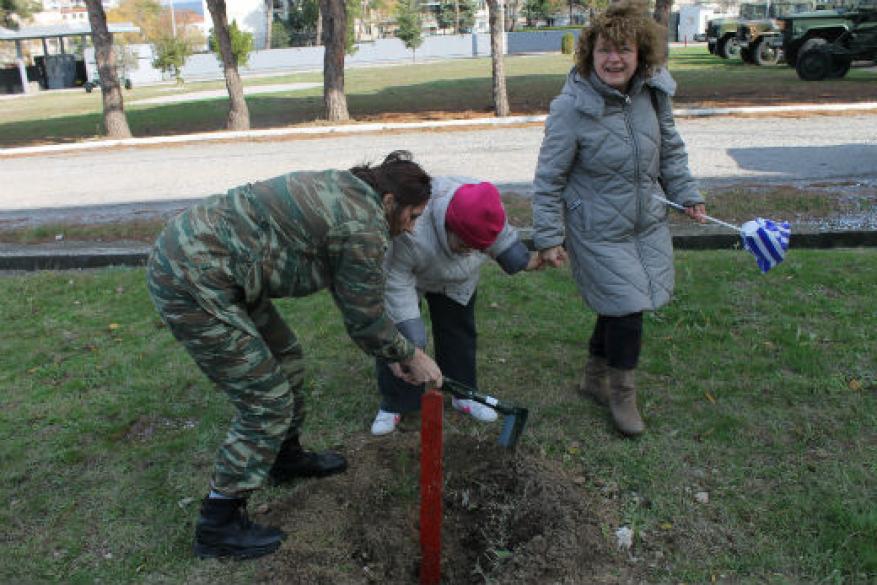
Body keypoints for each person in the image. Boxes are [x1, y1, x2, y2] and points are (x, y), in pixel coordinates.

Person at [146, 151, 443, 560]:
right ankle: (219, 522)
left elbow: (356, 298)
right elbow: (365, 317)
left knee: (287, 358)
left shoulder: (355, 193)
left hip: (222, 268)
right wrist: (411, 354)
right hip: (192, 277)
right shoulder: (365, 224)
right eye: (411, 216)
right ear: (390, 201)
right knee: (265, 398)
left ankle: (283, 457)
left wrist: (392, 352)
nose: (410, 229)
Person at [531, 1, 707, 437]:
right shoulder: (571, 108)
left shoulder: (653, 93)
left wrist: (686, 194)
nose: (614, 59)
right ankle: (622, 393)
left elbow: (671, 150)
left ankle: (593, 378)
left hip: (645, 221)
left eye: (624, 49)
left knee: (621, 303)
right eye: (605, 50)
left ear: (639, 53)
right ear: (589, 55)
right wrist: (549, 237)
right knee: (629, 306)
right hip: (596, 230)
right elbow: (548, 178)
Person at [370, 178, 542, 436]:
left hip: (457, 281)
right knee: (403, 339)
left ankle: (464, 395)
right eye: (463, 245)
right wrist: (412, 347)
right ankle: (396, 403)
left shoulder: (485, 208)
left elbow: (503, 238)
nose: (469, 251)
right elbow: (397, 285)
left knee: (458, 333)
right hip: (409, 277)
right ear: (448, 226)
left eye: (476, 248)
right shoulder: (413, 228)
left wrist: (524, 261)